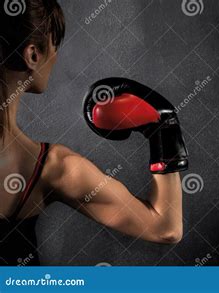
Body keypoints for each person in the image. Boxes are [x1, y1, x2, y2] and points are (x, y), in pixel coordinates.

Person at [0, 0, 185, 266]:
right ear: (32, 55)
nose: (56, 56)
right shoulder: (53, 168)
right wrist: (164, 127)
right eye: (55, 44)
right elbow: (166, 227)